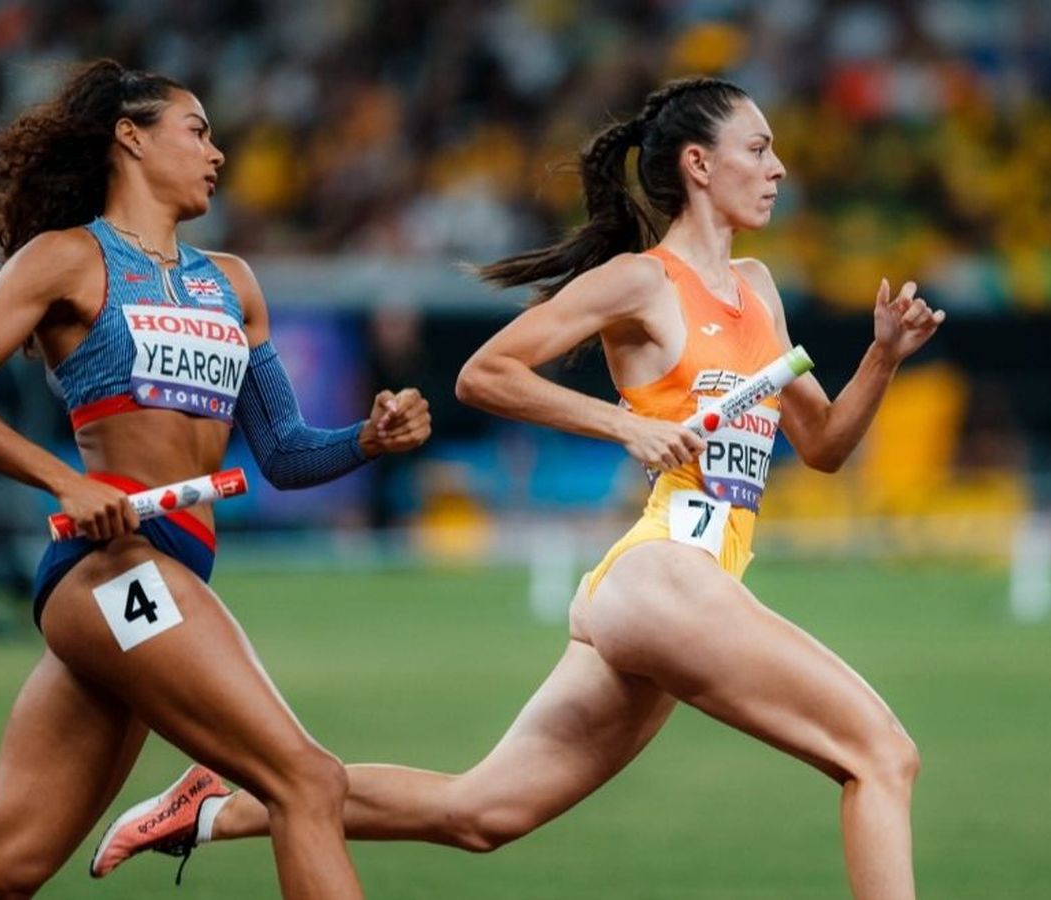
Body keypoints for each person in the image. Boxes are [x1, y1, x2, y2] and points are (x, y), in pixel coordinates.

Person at [105, 76, 941, 899]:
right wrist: (627, 424)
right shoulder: (641, 282)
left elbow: (825, 445)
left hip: (685, 591)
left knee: (483, 813)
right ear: (697, 163)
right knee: (881, 753)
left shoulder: (757, 289)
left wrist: (882, 358)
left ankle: (221, 804)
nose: (778, 168)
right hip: (665, 576)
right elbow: (485, 373)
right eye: (757, 149)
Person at [0, 59, 431, 899]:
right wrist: (66, 481)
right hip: (117, 569)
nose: (218, 153)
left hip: (168, 572)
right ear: (130, 137)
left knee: (3, 861)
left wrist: (370, 439)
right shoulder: (65, 260)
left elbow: (283, 452)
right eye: (197, 130)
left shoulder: (231, 283)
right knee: (307, 781)